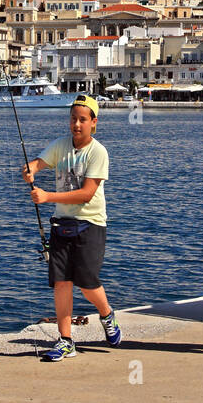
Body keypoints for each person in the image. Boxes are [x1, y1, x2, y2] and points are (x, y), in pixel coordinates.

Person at [22, 94, 122, 361]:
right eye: (73, 119)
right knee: (62, 284)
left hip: (91, 224)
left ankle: (107, 315)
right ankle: (66, 340)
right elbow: (39, 163)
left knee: (87, 284)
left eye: (82, 120)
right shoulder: (60, 146)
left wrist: (47, 197)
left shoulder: (98, 152)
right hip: (61, 225)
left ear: (93, 122)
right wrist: (31, 169)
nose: (76, 125)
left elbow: (87, 193)